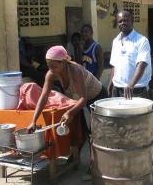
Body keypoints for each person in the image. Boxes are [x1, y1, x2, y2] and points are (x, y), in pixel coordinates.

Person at [27, 46, 108, 175]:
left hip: (97, 97)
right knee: (80, 130)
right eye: (49, 65)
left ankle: (96, 167)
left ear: (64, 62)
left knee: (96, 134)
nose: (51, 69)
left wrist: (69, 112)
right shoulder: (51, 74)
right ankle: (74, 159)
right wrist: (33, 120)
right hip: (79, 101)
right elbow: (43, 97)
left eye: (54, 65)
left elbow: (84, 98)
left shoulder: (75, 70)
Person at [107, 10, 153, 175]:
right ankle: (128, 161)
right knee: (120, 128)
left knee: (142, 129)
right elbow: (114, 64)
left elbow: (142, 64)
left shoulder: (141, 41)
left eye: (127, 20)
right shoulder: (116, 41)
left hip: (136, 91)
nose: (124, 23)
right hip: (118, 89)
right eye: (121, 21)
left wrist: (131, 83)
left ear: (132, 21)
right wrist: (110, 82)